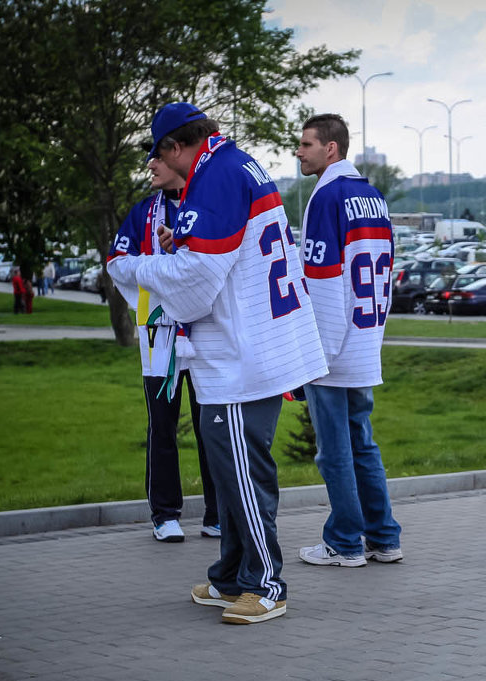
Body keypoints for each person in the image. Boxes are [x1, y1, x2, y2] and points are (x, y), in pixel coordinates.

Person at [107, 102, 328, 625]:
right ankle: (232, 575)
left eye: (157, 153)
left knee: (244, 472)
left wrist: (133, 267)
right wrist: (173, 251)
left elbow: (198, 282)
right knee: (229, 471)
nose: (153, 165)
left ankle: (266, 584)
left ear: (177, 146)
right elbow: (218, 261)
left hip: (243, 354)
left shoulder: (216, 175)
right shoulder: (230, 166)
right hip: (247, 346)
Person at [293, 113, 403, 568]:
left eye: (306, 144)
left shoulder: (326, 197)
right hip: (364, 338)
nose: (299, 151)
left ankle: (344, 542)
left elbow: (321, 282)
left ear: (330, 149)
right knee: (362, 443)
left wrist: (313, 354)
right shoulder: (372, 196)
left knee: (334, 448)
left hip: (333, 347)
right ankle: (383, 536)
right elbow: (388, 271)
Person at [107, 144, 220, 544]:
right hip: (160, 337)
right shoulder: (143, 213)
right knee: (163, 426)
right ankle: (165, 513)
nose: (151, 165)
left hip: (207, 333)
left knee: (213, 426)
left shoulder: (207, 206)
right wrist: (161, 267)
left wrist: (182, 255)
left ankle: (217, 512)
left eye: (157, 158)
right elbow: (117, 263)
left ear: (177, 161)